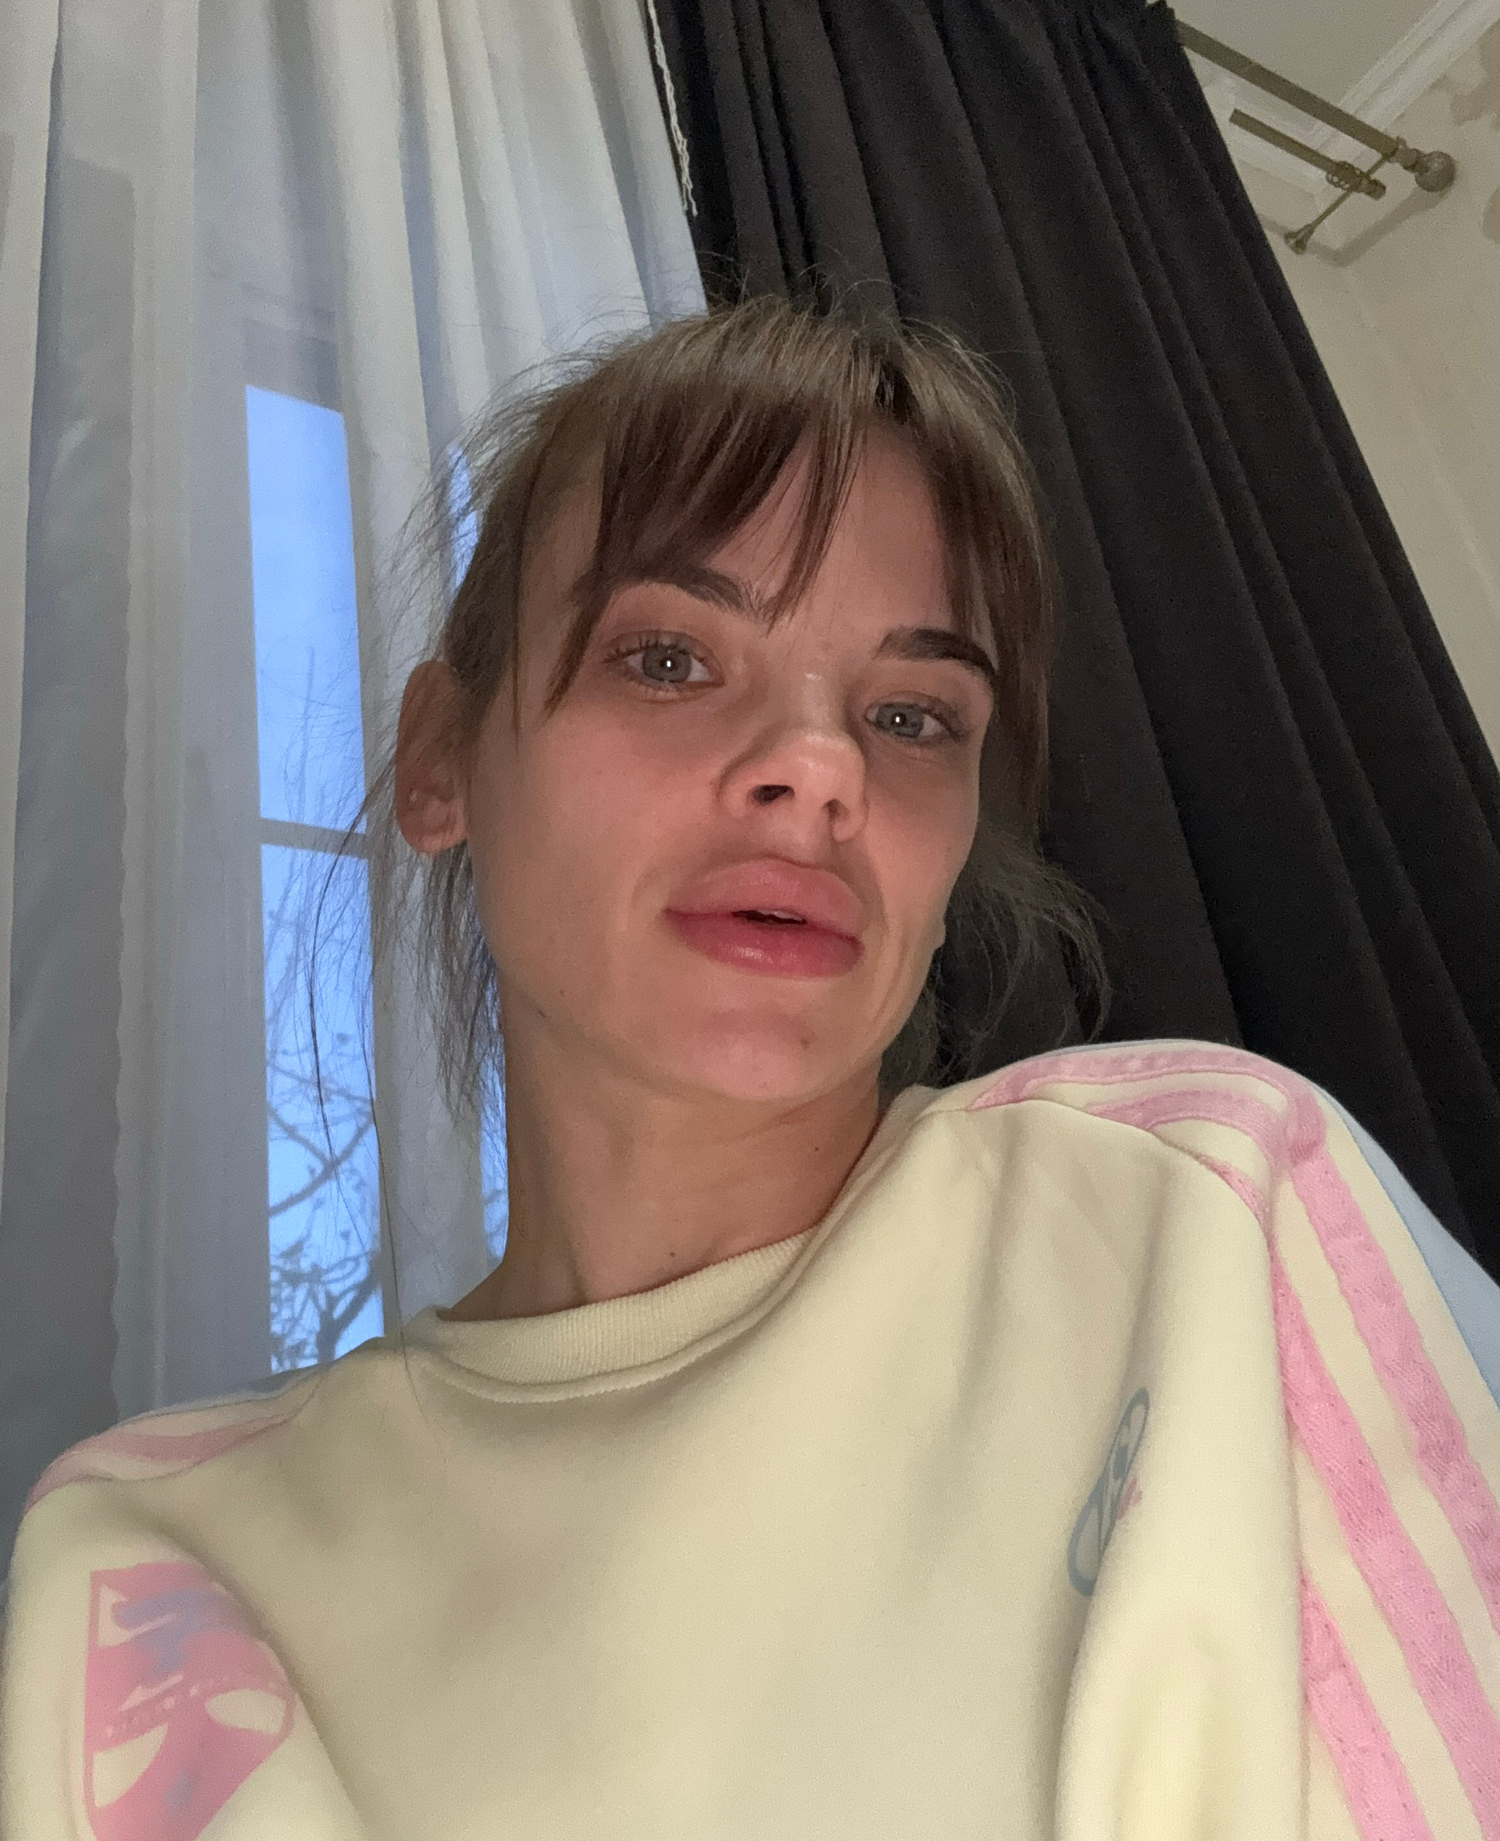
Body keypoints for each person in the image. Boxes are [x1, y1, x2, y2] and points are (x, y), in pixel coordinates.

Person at [3, 298, 1498, 1840]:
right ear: (441, 756)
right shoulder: (154, 1572)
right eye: (669, 659)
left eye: (912, 715)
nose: (821, 770)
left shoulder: (1207, 1217)